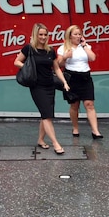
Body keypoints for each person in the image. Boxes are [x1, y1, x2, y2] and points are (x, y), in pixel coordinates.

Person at [14, 23, 69, 155]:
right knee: (47, 116)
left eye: (45, 34)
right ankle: (56, 143)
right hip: (37, 86)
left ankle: (40, 139)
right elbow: (17, 61)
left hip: (50, 85)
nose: (43, 37)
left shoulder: (50, 50)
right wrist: (27, 68)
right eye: (40, 34)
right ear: (35, 35)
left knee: (46, 115)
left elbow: (56, 68)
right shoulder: (29, 49)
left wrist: (64, 82)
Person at [57, 25, 102, 139]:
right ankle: (75, 127)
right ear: (70, 36)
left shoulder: (85, 46)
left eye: (79, 34)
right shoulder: (63, 48)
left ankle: (95, 131)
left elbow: (93, 58)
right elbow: (58, 64)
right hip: (72, 77)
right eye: (75, 34)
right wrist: (65, 57)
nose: (78, 36)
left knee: (89, 104)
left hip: (85, 77)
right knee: (74, 105)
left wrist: (85, 45)